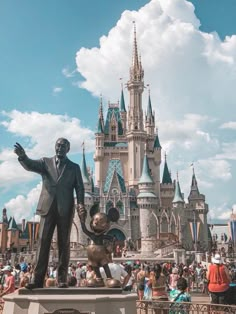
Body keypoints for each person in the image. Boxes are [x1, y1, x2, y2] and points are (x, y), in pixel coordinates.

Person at [14, 139, 85, 289]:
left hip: (65, 209)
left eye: (63, 146)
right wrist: (23, 157)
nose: (60, 148)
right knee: (43, 242)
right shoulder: (45, 163)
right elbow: (30, 165)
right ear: (55, 147)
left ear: (68, 149)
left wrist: (80, 204)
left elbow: (80, 188)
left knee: (63, 244)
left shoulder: (74, 167)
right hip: (47, 208)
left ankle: (62, 279)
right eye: (58, 145)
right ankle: (37, 279)